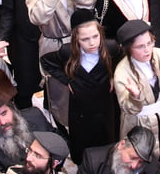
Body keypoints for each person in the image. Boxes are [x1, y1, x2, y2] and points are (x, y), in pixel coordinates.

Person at [42, 11, 119, 164]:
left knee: (107, 140)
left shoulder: (111, 48)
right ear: (76, 38)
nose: (92, 43)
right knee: (83, 143)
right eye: (85, 39)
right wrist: (67, 81)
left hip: (105, 107)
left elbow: (123, 61)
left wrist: (114, 76)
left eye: (95, 37)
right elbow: (46, 62)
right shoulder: (67, 52)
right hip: (81, 109)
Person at [113, 20, 160, 161]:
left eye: (149, 43)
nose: (147, 50)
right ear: (128, 48)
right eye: (140, 46)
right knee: (142, 154)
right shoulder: (122, 72)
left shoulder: (159, 55)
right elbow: (128, 108)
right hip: (139, 121)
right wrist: (135, 96)